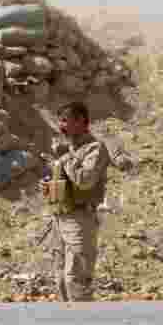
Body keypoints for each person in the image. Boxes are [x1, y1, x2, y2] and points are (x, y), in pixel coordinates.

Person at [40, 101, 110, 302]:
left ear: (81, 121)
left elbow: (85, 180)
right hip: (60, 218)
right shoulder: (67, 151)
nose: (61, 126)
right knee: (60, 279)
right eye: (59, 121)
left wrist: (65, 158)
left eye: (65, 121)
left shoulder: (94, 149)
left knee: (76, 279)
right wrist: (49, 186)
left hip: (79, 219)